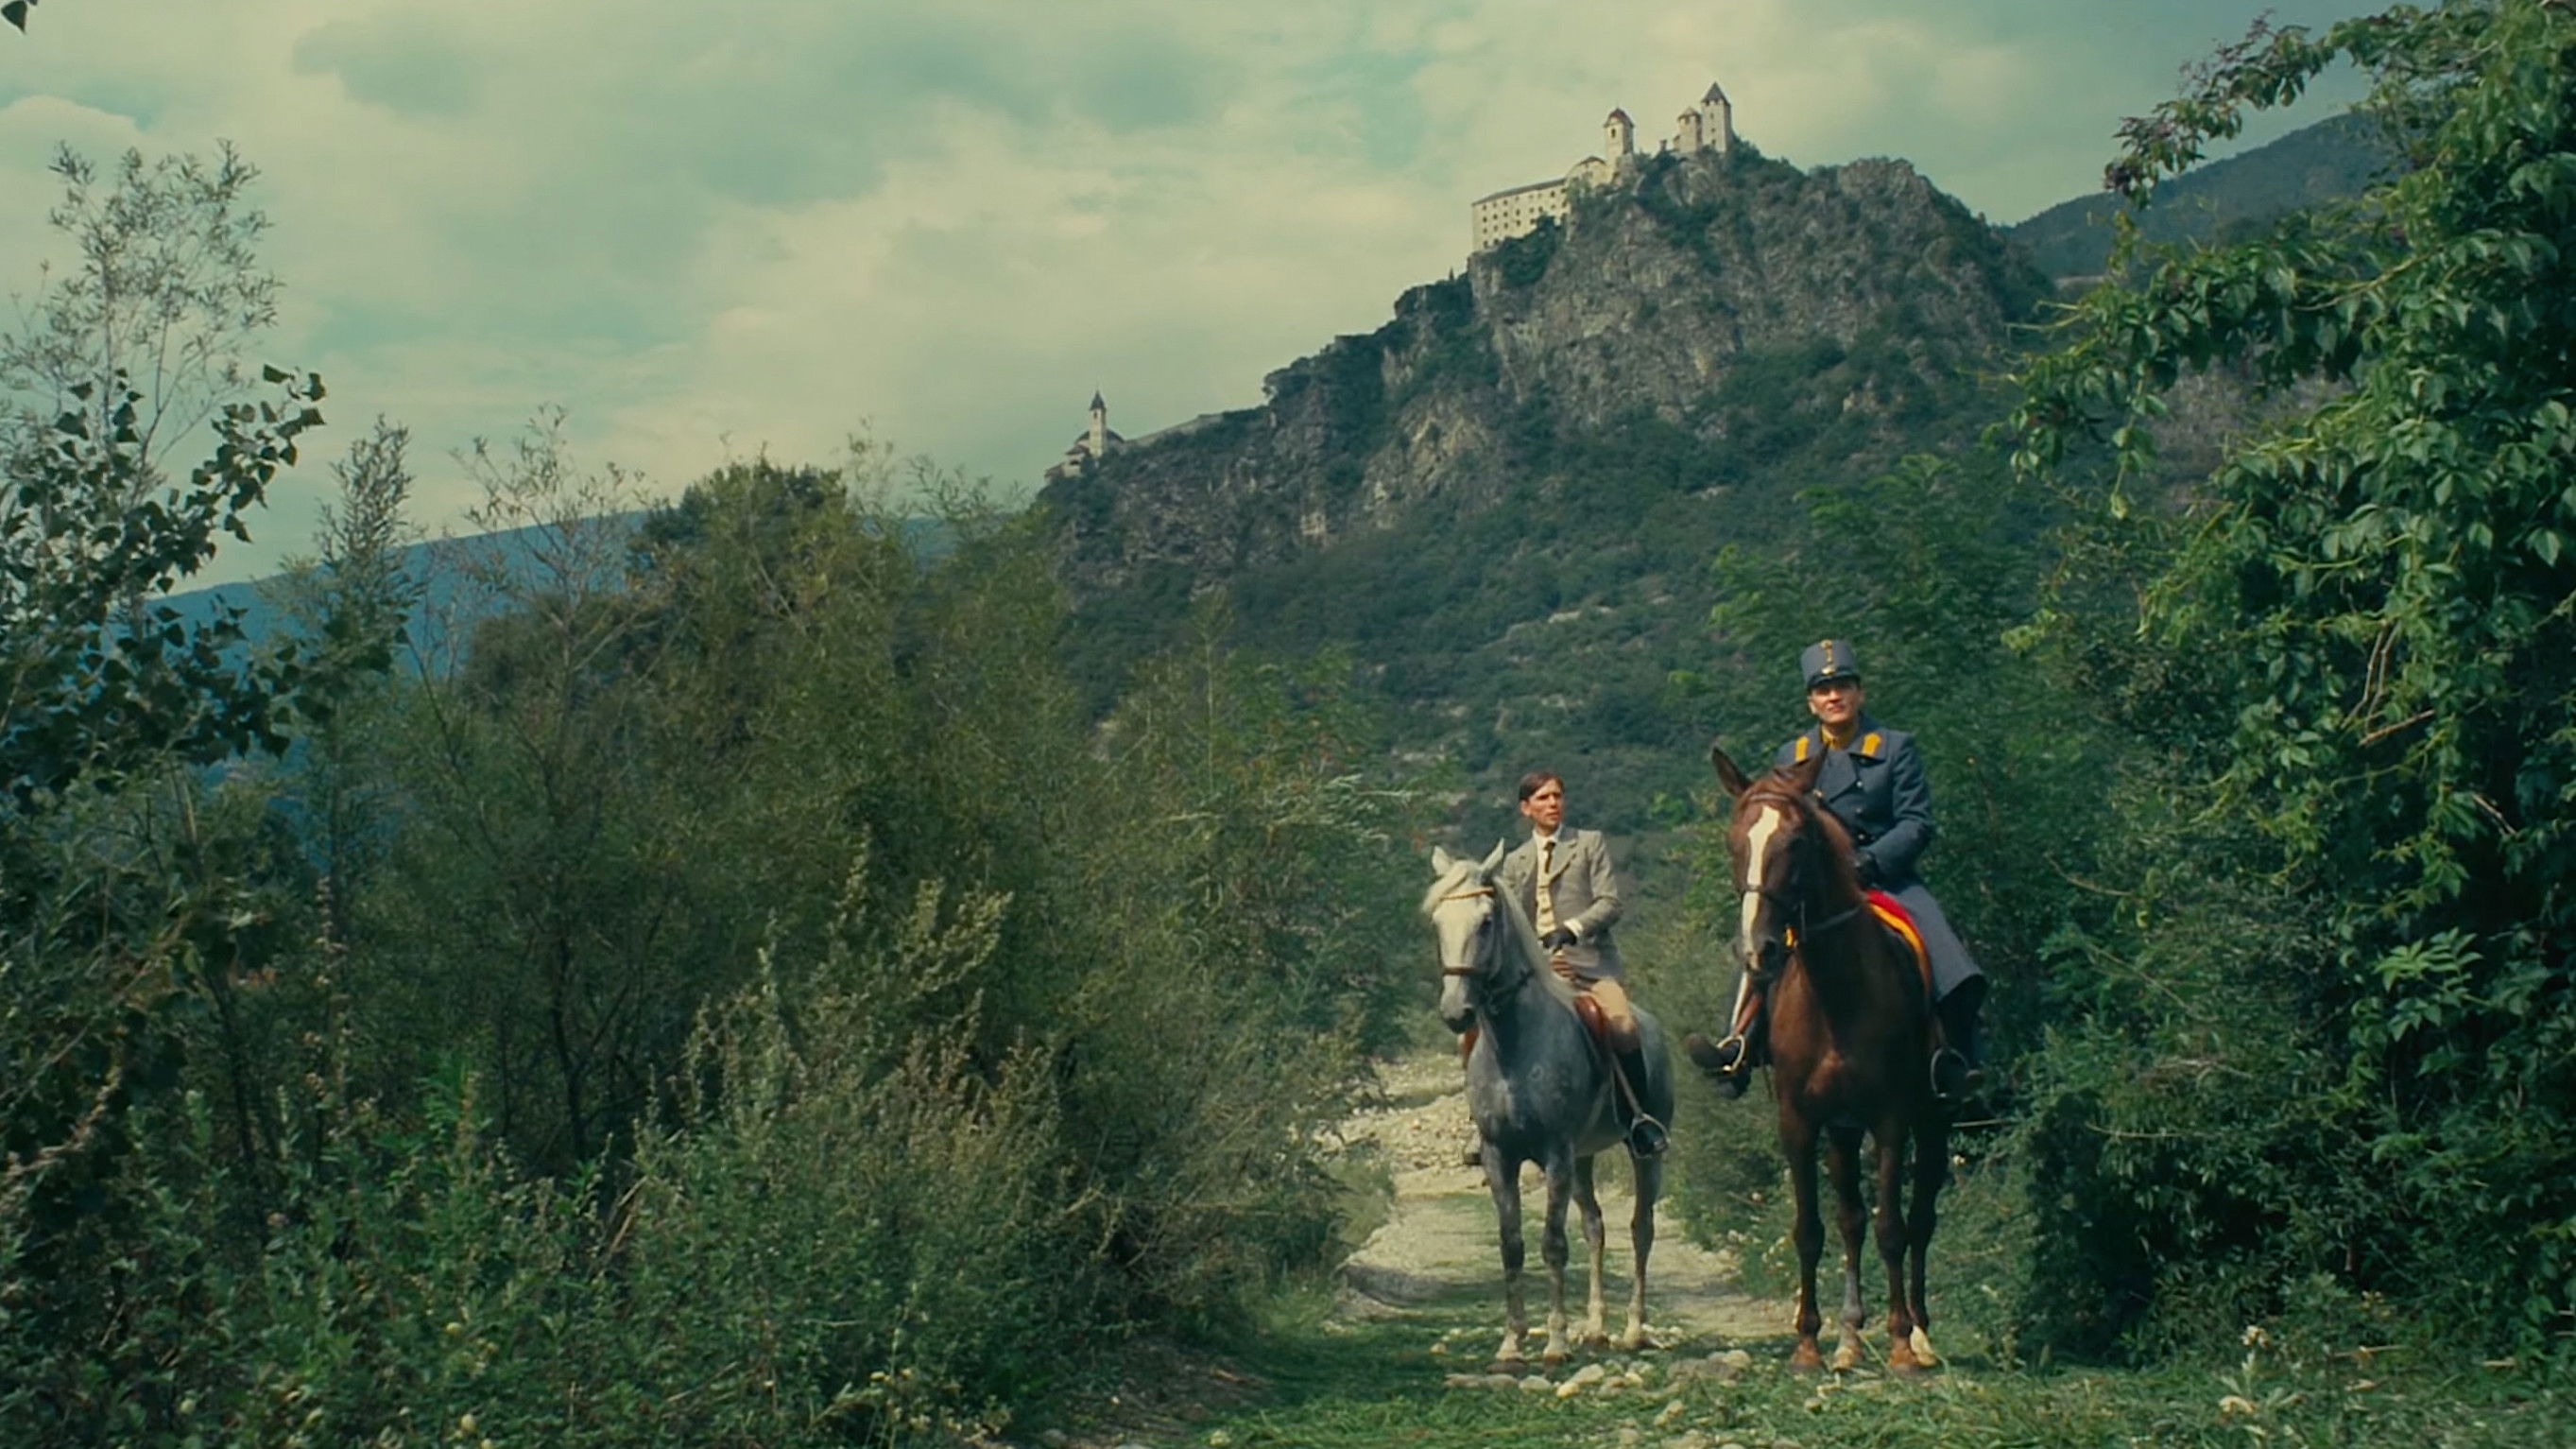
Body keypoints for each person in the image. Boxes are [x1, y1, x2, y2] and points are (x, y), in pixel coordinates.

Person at [1685, 640, 1987, 1102]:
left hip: (1886, 878)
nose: (1833, 697)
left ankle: (1955, 1059)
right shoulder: (1794, 755)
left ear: (1859, 693)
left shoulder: (1895, 748)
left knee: (1948, 957)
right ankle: (1737, 1046)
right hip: (1817, 890)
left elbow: (1916, 823)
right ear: (1811, 702)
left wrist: (1871, 861)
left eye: (1842, 686)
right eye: (1823, 690)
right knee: (1760, 942)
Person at [1484, 770, 1669, 1158]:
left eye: (1557, 796)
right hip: (1535, 973)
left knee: (1623, 1026)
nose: (1553, 803)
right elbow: (1512, 922)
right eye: (1543, 798)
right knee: (1478, 1031)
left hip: (1589, 965)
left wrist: (1571, 930)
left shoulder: (1588, 844)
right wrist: (1538, 959)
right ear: (1526, 808)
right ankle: (1484, 1121)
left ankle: (1638, 1118)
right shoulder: (1515, 862)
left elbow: (1609, 902)